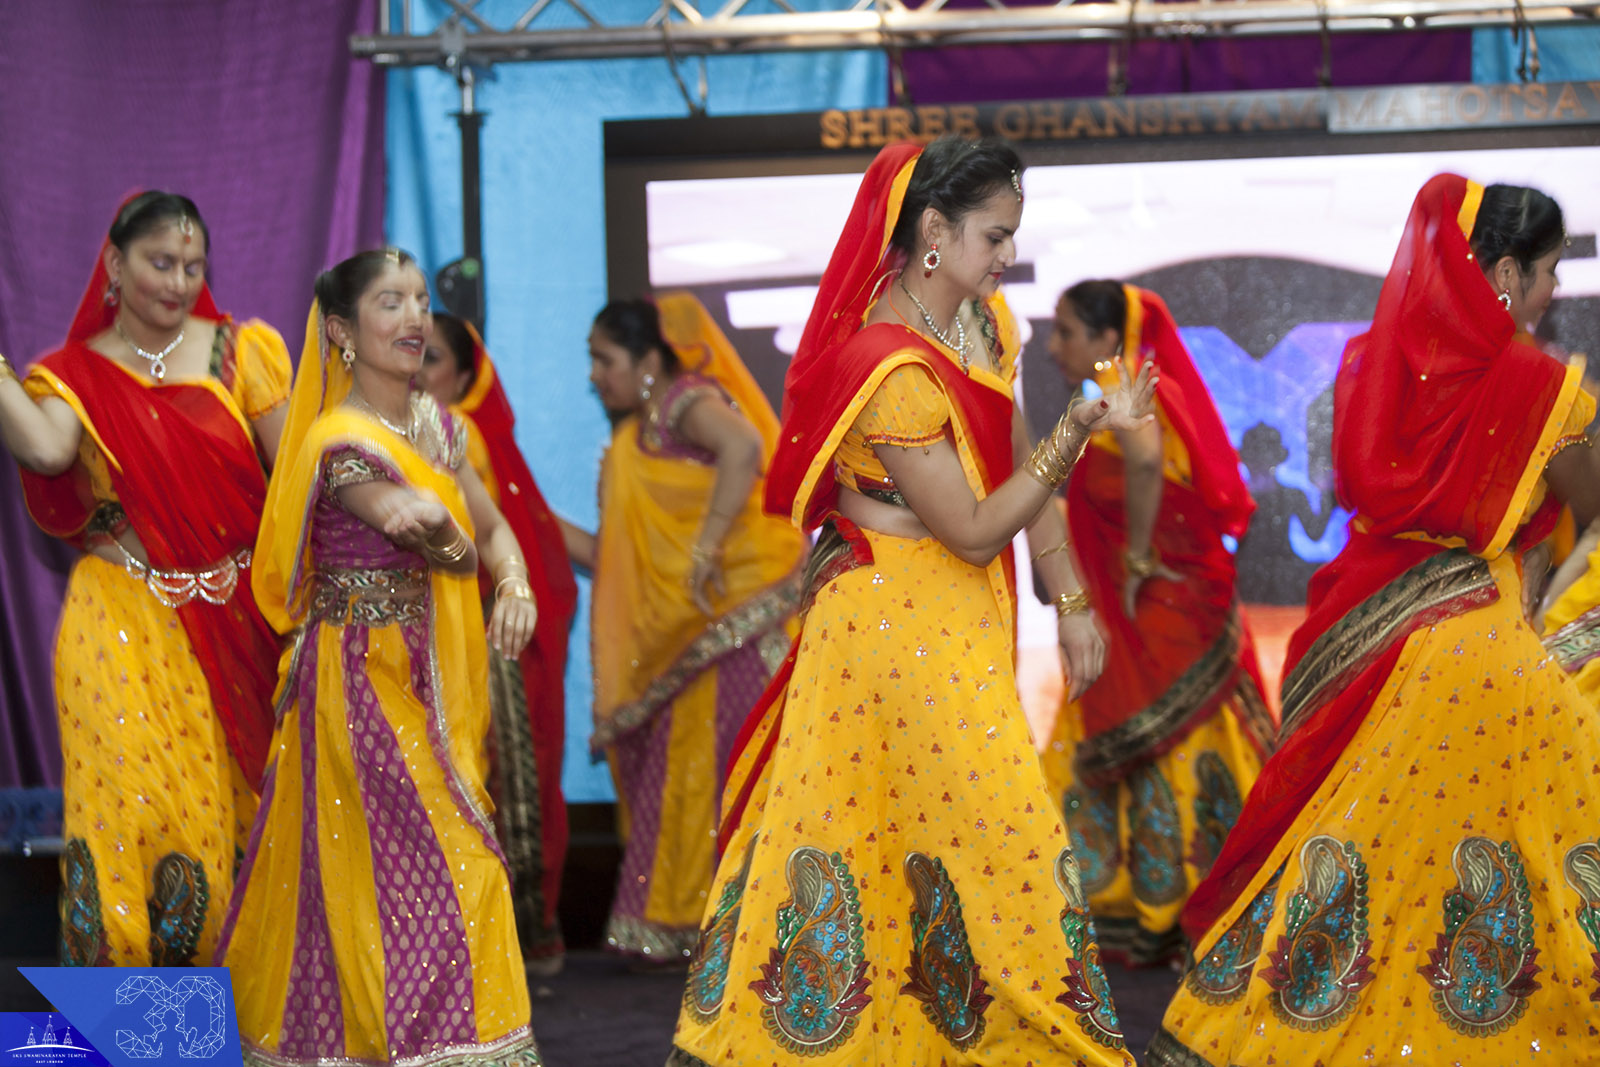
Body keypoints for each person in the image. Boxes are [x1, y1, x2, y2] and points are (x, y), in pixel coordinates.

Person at [667, 138, 1157, 1067]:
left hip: (958, 617)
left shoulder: (983, 325)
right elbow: (974, 526)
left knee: (961, 839)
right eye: (994, 236)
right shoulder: (887, 368)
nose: (1008, 256)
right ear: (934, 230)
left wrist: (1073, 594)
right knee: (949, 837)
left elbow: (1015, 467)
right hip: (888, 629)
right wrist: (1080, 427)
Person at [1149, 176, 1600, 1064]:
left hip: (1378, 636)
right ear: (1505, 272)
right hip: (1487, 649)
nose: (1553, 293)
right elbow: (1589, 506)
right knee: (1523, 853)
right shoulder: (1541, 388)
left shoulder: (1372, 363)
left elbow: (1367, 500)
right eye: (1546, 273)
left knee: (1374, 846)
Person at [217, 249, 543, 1067]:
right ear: (341, 331)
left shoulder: (440, 427)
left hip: (429, 683)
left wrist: (514, 582)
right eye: (390, 302)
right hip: (362, 689)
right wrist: (423, 518)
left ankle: (393, 1045)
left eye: (421, 300)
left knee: (386, 882)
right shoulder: (340, 441)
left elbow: (489, 529)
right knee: (444, 869)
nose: (414, 316)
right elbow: (397, 510)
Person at [0, 192, 289, 966]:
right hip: (117, 622)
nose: (179, 281)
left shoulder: (242, 352)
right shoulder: (72, 374)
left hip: (231, 632)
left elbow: (297, 476)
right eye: (161, 262)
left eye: (194, 266)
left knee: (222, 833)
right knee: (127, 816)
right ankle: (131, 1040)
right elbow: (46, 454)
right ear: (115, 265)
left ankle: (210, 1033)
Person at [1040, 280, 1275, 966]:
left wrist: (1139, 554)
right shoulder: (1143, 386)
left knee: (1161, 730)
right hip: (1167, 599)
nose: (1057, 345)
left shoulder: (1121, 386)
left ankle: (1166, 907)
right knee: (1187, 732)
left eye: (1067, 330)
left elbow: (1144, 459)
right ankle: (1194, 898)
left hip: (1157, 600)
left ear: (1108, 339)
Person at [581, 292, 808, 962]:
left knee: (740, 763)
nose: (595, 374)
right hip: (689, 627)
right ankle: (697, 920)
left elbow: (742, 445)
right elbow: (618, 555)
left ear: (648, 361)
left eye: (605, 359)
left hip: (733, 610)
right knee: (691, 767)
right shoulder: (634, 436)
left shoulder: (683, 399)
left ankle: (765, 918)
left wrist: (705, 547)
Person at [417, 313, 580, 971]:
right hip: (387, 629)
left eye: (430, 358)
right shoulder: (358, 429)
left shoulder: (462, 437)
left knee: (494, 763)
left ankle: (510, 931)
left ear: (464, 376)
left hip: (466, 622)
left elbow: (493, 534)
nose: (417, 370)